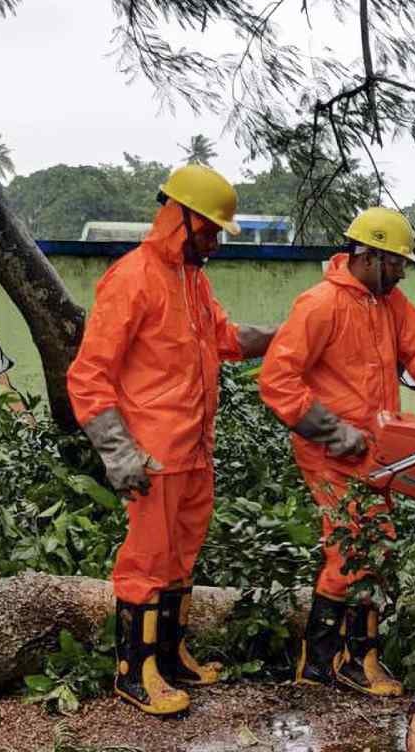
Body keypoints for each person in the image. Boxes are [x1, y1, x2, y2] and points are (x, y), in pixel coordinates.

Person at [67, 164, 278, 715]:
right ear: (179, 217)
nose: (214, 243)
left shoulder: (193, 280)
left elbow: (225, 338)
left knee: (180, 560)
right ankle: (135, 671)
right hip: (153, 454)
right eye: (208, 231)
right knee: (146, 561)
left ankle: (171, 655)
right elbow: (89, 374)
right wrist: (118, 451)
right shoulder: (132, 277)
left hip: (194, 451)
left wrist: (284, 338)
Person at [259, 207, 415, 697]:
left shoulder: (388, 303)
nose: (401, 272)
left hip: (377, 446)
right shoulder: (320, 305)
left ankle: (358, 657)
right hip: (330, 449)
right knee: (353, 546)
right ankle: (325, 662)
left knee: (376, 541)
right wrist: (332, 430)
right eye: (395, 263)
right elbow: (277, 380)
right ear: (368, 255)